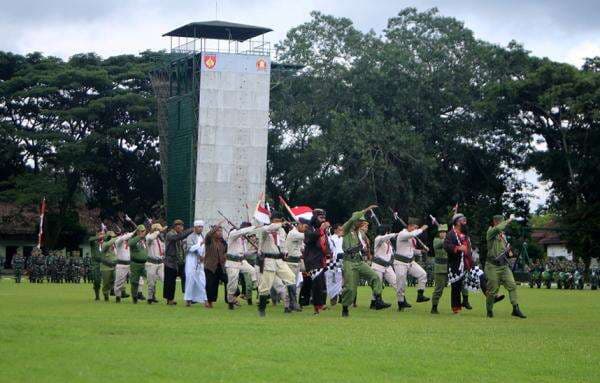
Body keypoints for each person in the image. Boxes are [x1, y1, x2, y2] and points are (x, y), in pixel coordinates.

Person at [339, 205, 391, 317]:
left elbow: (366, 241)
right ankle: (345, 308)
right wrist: (366, 210)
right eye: (360, 221)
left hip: (359, 261)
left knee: (375, 277)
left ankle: (378, 300)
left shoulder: (359, 233)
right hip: (349, 262)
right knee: (350, 288)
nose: (362, 223)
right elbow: (352, 220)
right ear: (356, 221)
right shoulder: (347, 229)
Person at [255, 212, 296, 317]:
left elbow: (283, 244)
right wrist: (280, 224)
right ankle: (262, 309)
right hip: (268, 260)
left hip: (279, 260)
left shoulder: (281, 231)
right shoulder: (265, 230)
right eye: (276, 221)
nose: (279, 223)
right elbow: (268, 228)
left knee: (291, 277)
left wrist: (285, 252)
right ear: (272, 221)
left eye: (279, 220)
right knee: (265, 287)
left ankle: (292, 303)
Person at [486, 214, 526, 318]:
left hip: (503, 266)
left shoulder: (503, 236)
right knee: (492, 290)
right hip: (492, 266)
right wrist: (510, 219)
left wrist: (511, 253)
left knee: (512, 285)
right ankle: (489, 310)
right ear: (495, 222)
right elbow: (499, 227)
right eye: (501, 222)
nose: (504, 226)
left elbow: (506, 250)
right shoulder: (490, 232)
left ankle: (515, 308)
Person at [394, 218, 430, 310]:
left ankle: (420, 295)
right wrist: (422, 229)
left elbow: (410, 250)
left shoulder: (410, 237)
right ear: (409, 226)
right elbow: (413, 233)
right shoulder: (403, 234)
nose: (415, 229)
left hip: (410, 262)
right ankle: (401, 303)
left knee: (423, 274)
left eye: (416, 228)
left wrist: (421, 251)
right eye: (414, 227)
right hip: (400, 263)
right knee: (401, 284)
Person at [303, 209, 330, 315]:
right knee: (317, 284)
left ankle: (320, 304)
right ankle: (316, 307)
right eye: (320, 218)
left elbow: (325, 244)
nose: (323, 220)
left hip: (321, 259)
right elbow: (309, 239)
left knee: (322, 284)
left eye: (324, 218)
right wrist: (321, 230)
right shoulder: (309, 228)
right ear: (315, 218)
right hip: (312, 259)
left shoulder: (323, 231)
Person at [225, 221, 258, 309]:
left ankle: (256, 285)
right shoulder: (233, 234)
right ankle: (230, 301)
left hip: (241, 261)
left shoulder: (242, 239)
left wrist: (255, 250)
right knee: (233, 283)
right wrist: (253, 227)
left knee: (253, 271)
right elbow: (241, 232)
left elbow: (245, 253)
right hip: (232, 262)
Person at [164, 220, 194, 305]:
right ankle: (170, 299)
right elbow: (177, 238)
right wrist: (190, 230)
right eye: (180, 226)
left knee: (186, 279)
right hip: (170, 262)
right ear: (176, 226)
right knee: (170, 282)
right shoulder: (170, 234)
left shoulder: (179, 236)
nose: (182, 228)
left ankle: (188, 299)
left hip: (179, 261)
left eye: (182, 226)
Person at [371, 224, 400, 309]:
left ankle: (402, 301)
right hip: (378, 266)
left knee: (396, 282)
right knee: (378, 285)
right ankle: (375, 303)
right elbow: (383, 238)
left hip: (387, 266)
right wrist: (395, 234)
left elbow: (390, 253)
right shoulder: (378, 239)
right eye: (388, 231)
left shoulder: (388, 242)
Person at [284, 219, 308, 313]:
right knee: (290, 284)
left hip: (297, 261)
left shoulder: (298, 234)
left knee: (296, 284)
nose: (306, 229)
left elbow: (302, 247)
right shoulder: (293, 233)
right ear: (300, 225)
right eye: (305, 227)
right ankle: (287, 305)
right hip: (291, 262)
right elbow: (305, 236)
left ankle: (292, 304)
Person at [204, 224, 228, 308]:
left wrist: (225, 256)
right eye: (218, 231)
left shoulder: (223, 242)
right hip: (210, 266)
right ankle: (209, 301)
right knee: (211, 285)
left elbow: (225, 251)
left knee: (228, 281)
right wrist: (215, 227)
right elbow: (208, 235)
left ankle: (230, 299)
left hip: (220, 266)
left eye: (221, 231)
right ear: (214, 232)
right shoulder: (209, 240)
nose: (220, 232)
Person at [184, 220, 207, 306]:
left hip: (200, 262)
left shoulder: (202, 236)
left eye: (202, 227)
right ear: (195, 228)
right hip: (191, 260)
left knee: (202, 280)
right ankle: (188, 300)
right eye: (199, 227)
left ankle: (204, 300)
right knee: (190, 279)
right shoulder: (190, 237)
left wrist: (203, 257)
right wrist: (199, 244)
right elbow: (190, 248)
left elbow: (204, 249)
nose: (200, 228)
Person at [145, 223, 166, 304]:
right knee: (151, 282)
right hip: (151, 262)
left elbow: (163, 249)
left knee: (165, 279)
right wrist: (157, 232)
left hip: (160, 262)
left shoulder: (160, 239)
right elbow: (150, 238)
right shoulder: (149, 237)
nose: (160, 232)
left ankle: (169, 298)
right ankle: (150, 297)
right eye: (158, 229)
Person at [128, 225, 149, 304]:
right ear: (137, 232)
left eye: (144, 231)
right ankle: (134, 297)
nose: (143, 232)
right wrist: (139, 236)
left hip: (144, 264)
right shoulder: (133, 239)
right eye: (141, 231)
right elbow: (130, 243)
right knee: (134, 282)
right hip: (135, 263)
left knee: (150, 278)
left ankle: (151, 296)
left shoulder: (144, 240)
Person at [113, 230, 135, 303]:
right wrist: (132, 233)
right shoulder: (118, 241)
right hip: (121, 264)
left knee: (136, 279)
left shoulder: (127, 242)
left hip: (129, 264)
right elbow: (122, 238)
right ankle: (118, 297)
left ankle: (136, 295)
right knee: (119, 282)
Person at [325, 224, 344, 305]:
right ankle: (333, 298)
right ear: (335, 230)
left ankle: (341, 296)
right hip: (334, 262)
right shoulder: (331, 238)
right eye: (340, 229)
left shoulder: (343, 239)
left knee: (343, 280)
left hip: (343, 260)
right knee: (334, 280)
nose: (342, 231)